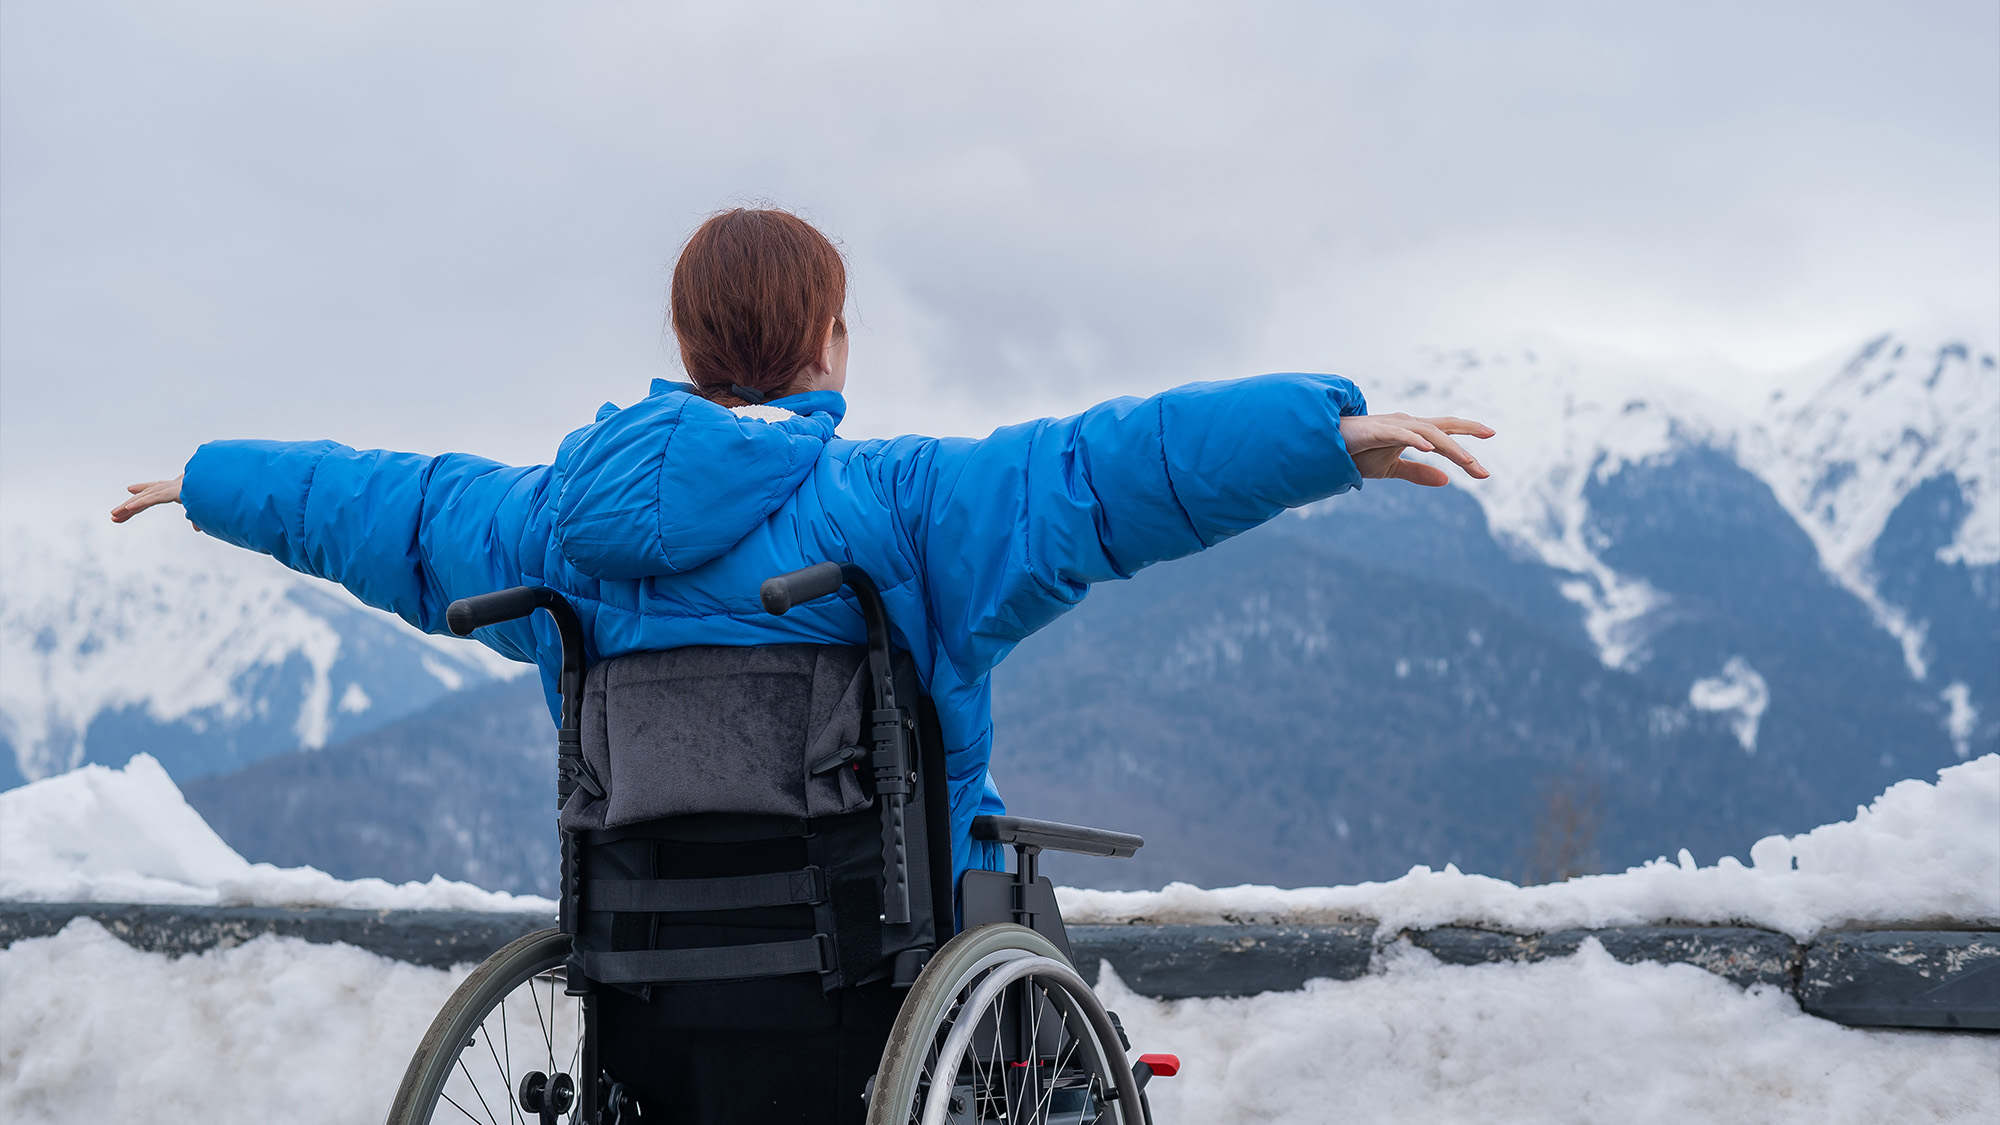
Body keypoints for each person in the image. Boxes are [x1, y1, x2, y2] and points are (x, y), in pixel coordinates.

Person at [112, 206, 1492, 888]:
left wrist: (212, 480)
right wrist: (1323, 433)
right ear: (830, 343)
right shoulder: (902, 506)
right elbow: (1107, 472)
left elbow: (394, 512)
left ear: (685, 345)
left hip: (647, 964)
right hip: (887, 953)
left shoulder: (555, 527)